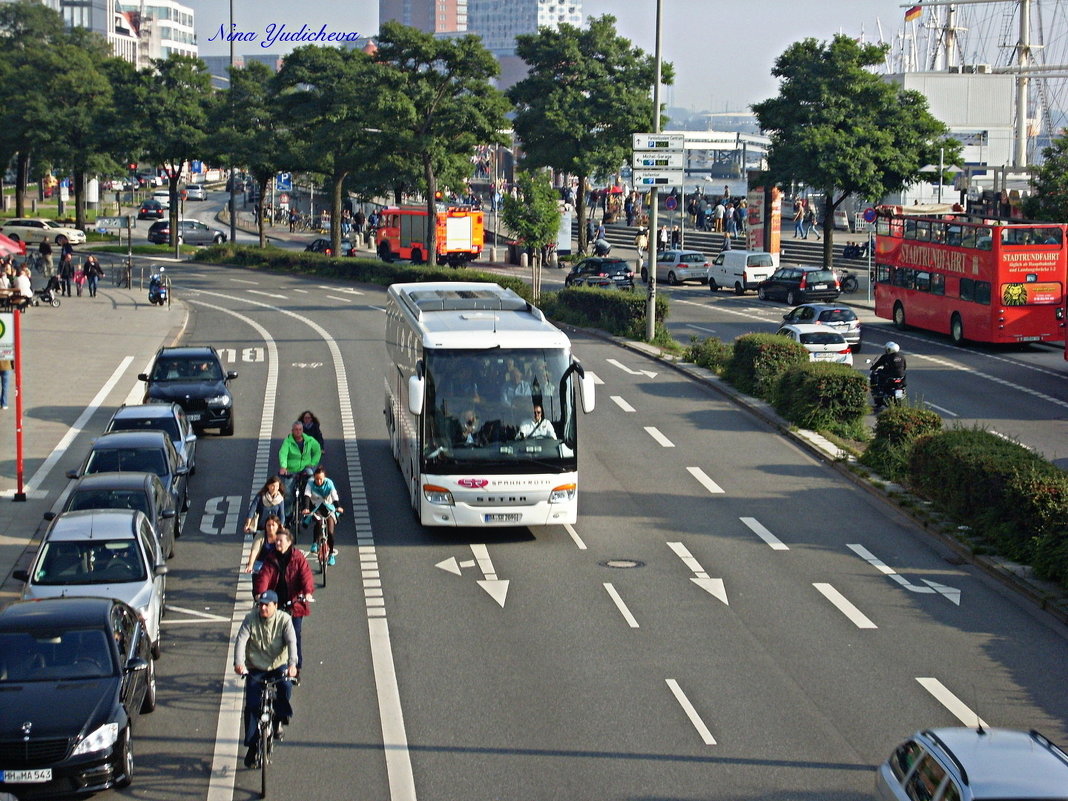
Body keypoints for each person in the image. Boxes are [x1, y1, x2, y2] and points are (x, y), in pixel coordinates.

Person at [233, 590, 297, 768]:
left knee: (285, 687)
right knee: (252, 705)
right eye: (261, 604)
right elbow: (241, 640)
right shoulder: (250, 619)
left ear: (275, 606)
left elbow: (292, 643)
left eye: (267, 605)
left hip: (278, 666)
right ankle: (252, 746)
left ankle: (279, 719)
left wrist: (292, 665)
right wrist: (239, 663)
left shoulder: (284, 620)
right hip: (256, 667)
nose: (263, 607)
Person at [253, 528, 314, 677]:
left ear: (289, 542)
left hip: (294, 604)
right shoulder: (271, 558)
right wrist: (261, 593)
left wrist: (307, 592)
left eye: (280, 540)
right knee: (270, 633)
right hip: (275, 603)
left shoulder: (298, 557)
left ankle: (296, 667)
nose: (277, 543)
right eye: (276, 540)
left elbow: (306, 576)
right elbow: (264, 576)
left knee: (295, 634)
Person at [301, 465, 343, 565]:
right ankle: (315, 543)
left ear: (325, 478)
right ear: (314, 477)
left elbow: (334, 496)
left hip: (329, 508)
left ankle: (331, 554)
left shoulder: (329, 483)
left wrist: (338, 507)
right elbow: (307, 495)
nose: (319, 481)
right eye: (316, 479)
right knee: (318, 522)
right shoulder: (310, 483)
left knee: (331, 532)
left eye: (321, 479)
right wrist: (306, 508)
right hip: (316, 507)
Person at [277, 422, 321, 505]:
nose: (298, 431)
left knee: (310, 480)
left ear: (303, 430)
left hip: (306, 467)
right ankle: (288, 512)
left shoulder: (310, 440)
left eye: (300, 429)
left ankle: (309, 505)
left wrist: (313, 463)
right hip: (291, 469)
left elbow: (317, 450)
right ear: (292, 431)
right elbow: (283, 453)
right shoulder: (287, 442)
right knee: (287, 492)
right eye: (296, 430)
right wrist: (283, 466)